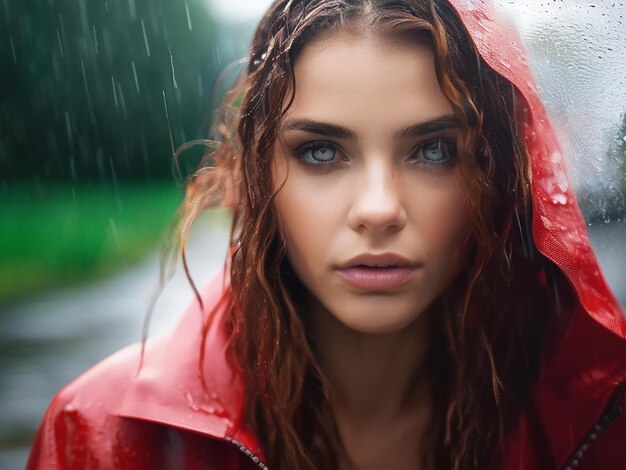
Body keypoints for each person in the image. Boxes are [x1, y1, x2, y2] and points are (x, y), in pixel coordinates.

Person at [27, 0, 626, 469]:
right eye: (320, 151)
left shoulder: (596, 419)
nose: (377, 209)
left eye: (434, 150)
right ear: (260, 174)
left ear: (496, 174)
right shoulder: (100, 434)